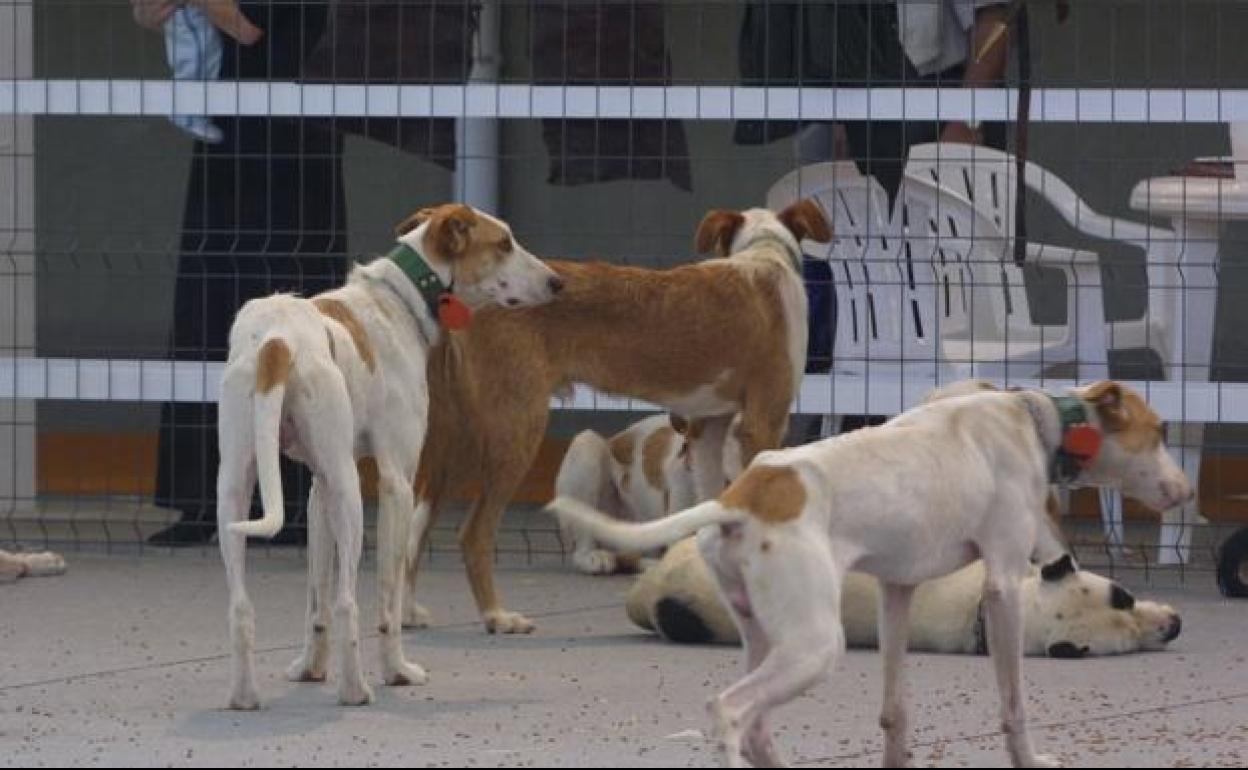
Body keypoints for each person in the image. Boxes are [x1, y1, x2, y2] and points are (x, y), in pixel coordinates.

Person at [131, 0, 346, 546]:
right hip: (231, 142)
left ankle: (298, 501)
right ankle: (205, 499)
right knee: (211, 308)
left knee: (293, 317)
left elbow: (250, 27)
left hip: (296, 145)